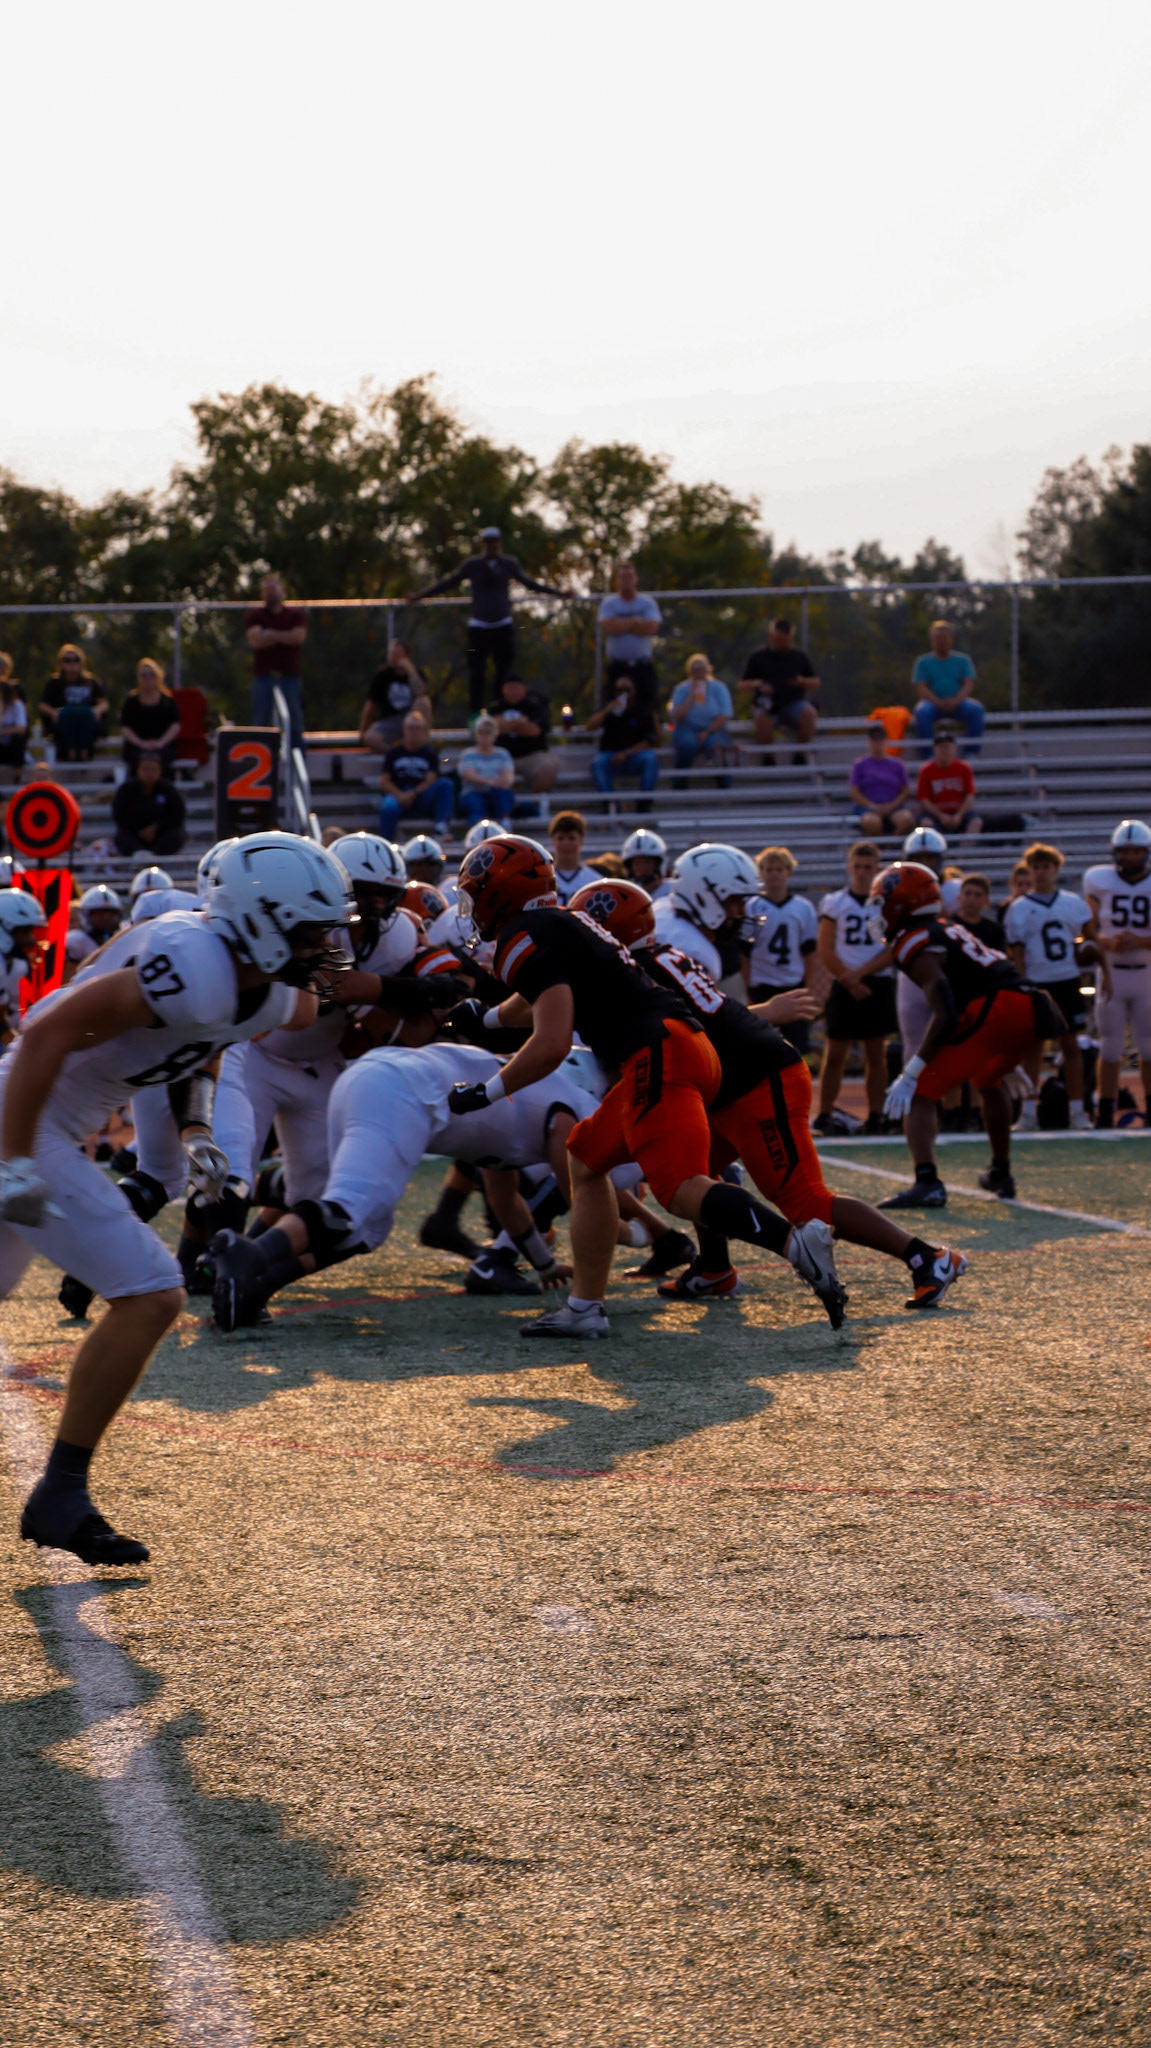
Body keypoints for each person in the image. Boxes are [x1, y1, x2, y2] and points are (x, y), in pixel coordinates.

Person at [1, 833, 354, 1564]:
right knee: (154, 1291)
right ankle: (60, 1493)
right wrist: (13, 1159)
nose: (324, 946)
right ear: (259, 921)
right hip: (25, 1118)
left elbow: (201, 1042)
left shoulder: (265, 990)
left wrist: (194, 1128)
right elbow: (43, 1035)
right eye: (309, 930)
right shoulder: (191, 962)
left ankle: (60, 1494)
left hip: (43, 1123)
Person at [444, 835, 846, 1340]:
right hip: (682, 1045)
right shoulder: (561, 923)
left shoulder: (523, 935)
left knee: (679, 1188)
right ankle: (584, 1307)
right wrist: (487, 1018)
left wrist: (485, 1092)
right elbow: (541, 998)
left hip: (655, 1052)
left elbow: (550, 1043)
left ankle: (795, 1243)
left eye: (475, 893)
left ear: (499, 892)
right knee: (585, 1159)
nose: (471, 907)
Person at [573, 878, 966, 1312]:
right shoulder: (655, 958)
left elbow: (704, 1023)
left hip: (757, 1080)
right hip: (723, 1079)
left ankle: (927, 1257)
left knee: (805, 1201)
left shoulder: (640, 973)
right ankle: (714, 1268)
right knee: (696, 1174)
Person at [872, 862, 1057, 1208]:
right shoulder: (947, 927)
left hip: (998, 1009)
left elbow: (946, 1013)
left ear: (901, 903)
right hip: (1032, 1006)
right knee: (988, 1079)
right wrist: (1003, 1044)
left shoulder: (913, 940)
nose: (877, 910)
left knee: (919, 1091)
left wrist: (911, 1072)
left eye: (881, 902)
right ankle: (1001, 1172)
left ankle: (927, 1182)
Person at [408, 527, 571, 714]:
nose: (492, 545)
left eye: (495, 541)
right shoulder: (473, 565)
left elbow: (530, 584)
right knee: (476, 672)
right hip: (479, 627)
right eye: (488, 542)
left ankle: (499, 713)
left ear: (499, 543)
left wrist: (558, 593)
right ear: (483, 544)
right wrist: (420, 596)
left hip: (502, 625)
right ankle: (475, 715)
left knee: (503, 672)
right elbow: (448, 583)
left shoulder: (508, 564)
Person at [1005, 842, 1095, 1132]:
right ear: (1028, 870)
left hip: (1067, 979)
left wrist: (1094, 959)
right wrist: (1022, 985)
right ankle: (1029, 1111)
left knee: (1071, 1046)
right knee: (1033, 1049)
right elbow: (1017, 954)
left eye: (1046, 867)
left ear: (1056, 869)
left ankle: (1077, 1111)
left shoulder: (1072, 903)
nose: (1041, 872)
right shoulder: (1018, 908)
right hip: (1037, 984)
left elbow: (1091, 940)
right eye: (1036, 867)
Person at [816, 841, 895, 1137]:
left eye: (868, 867)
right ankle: (824, 1114)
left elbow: (893, 948)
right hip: (844, 981)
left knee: (876, 1053)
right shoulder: (835, 902)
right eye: (858, 867)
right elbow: (825, 948)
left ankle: (875, 1115)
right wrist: (849, 979)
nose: (862, 873)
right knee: (835, 1053)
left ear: (877, 869)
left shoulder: (886, 903)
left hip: (875, 981)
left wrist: (859, 976)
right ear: (850, 868)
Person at [1083, 819, 1151, 1129]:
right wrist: (1105, 942)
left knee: (1148, 1047)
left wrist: (1140, 941)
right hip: (1111, 972)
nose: (1131, 857)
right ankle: (1105, 1111)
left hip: (1146, 972)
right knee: (1110, 1047)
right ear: (1116, 853)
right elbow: (1086, 924)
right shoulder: (1099, 880)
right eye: (1126, 851)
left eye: (1136, 851)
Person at [742, 847, 819, 1051]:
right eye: (769, 870)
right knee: (760, 1049)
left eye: (779, 869)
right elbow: (744, 954)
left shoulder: (803, 907)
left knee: (796, 1049)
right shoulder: (750, 907)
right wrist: (745, 989)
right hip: (761, 986)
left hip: (792, 984)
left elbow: (810, 952)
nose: (774, 874)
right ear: (760, 873)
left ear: (789, 872)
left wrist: (808, 989)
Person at [653, 842, 761, 982]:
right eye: (736, 901)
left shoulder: (664, 906)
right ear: (703, 897)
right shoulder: (692, 952)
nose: (742, 911)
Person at [245, 574, 307, 753]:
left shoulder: (295, 615)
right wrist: (284, 636)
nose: (270, 593)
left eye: (273, 588)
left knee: (294, 721)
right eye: (266, 589)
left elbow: (298, 637)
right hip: (263, 677)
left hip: (289, 676)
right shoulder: (255, 616)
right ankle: (259, 759)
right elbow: (256, 641)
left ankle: (298, 759)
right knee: (260, 721)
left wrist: (270, 634)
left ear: (282, 590)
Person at [739, 617, 820, 749]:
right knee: (762, 719)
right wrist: (757, 684)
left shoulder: (799, 657)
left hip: (794, 703)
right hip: (768, 704)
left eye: (787, 641)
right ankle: (768, 757)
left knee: (809, 714)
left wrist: (802, 681)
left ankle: (800, 755)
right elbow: (741, 686)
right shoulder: (758, 657)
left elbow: (815, 682)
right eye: (780, 640)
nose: (784, 644)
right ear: (770, 636)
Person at [378, 711, 455, 842]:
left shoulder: (429, 753)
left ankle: (441, 828)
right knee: (388, 806)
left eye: (417, 728)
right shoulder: (393, 752)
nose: (414, 732)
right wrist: (400, 795)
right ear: (404, 730)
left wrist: (414, 793)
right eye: (410, 728)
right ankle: (385, 842)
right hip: (398, 795)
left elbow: (431, 778)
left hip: (422, 796)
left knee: (445, 784)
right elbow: (384, 781)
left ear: (424, 731)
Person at [585, 675, 659, 807]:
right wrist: (607, 710)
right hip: (610, 756)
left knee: (650, 759)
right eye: (619, 690)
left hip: (634, 755)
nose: (623, 693)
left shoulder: (642, 710)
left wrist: (626, 753)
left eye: (627, 689)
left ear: (634, 691)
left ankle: (644, 804)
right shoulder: (609, 709)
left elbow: (650, 741)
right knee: (597, 764)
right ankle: (612, 804)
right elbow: (589, 726)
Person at [912, 620, 984, 755]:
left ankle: (971, 753)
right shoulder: (922, 662)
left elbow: (968, 684)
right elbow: (921, 687)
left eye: (944, 638)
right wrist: (938, 702)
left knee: (976, 709)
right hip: (933, 705)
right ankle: (928, 755)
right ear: (932, 640)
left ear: (951, 639)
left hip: (958, 704)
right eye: (938, 638)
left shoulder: (963, 660)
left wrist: (955, 701)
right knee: (921, 712)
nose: (941, 641)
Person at [596, 562, 662, 710]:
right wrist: (634, 622)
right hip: (617, 667)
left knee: (647, 707)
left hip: (642, 666)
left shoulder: (647, 603)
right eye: (623, 577)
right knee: (613, 708)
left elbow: (651, 628)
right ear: (617, 580)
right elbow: (608, 627)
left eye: (629, 576)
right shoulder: (609, 603)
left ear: (636, 579)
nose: (626, 580)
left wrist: (620, 624)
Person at [356, 640, 433, 753]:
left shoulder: (417, 674)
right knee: (370, 737)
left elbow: (420, 692)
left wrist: (411, 671)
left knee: (423, 701)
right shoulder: (382, 675)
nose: (393, 658)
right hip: (390, 721)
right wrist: (362, 732)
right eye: (391, 654)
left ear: (407, 657)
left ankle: (422, 746)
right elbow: (371, 705)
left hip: (412, 720)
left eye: (397, 655)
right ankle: (397, 754)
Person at [668, 654, 733, 787]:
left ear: (708, 670)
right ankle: (679, 783)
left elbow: (725, 714)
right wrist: (691, 697)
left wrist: (707, 731)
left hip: (714, 729)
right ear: (689, 672)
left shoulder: (719, 688)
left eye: (701, 670)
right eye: (694, 670)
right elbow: (676, 716)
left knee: (717, 747)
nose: (698, 673)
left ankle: (724, 784)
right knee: (687, 744)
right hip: (687, 729)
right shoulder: (681, 689)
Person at [488, 675, 557, 796]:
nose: (514, 691)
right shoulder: (494, 708)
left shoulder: (535, 706)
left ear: (524, 688)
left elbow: (534, 730)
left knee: (548, 770)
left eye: (517, 687)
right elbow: (490, 730)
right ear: (504, 689)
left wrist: (504, 725)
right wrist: (519, 722)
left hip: (532, 755)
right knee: (485, 772)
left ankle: (533, 804)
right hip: (501, 756)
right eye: (510, 688)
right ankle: (502, 805)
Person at [39, 644, 109, 759]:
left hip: (86, 721)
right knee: (68, 711)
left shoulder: (91, 681)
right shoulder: (54, 682)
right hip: (63, 723)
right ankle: (71, 752)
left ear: (81, 662)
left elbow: (104, 703)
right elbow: (42, 704)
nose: (72, 663)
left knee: (85, 712)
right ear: (61, 663)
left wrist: (97, 710)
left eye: (76, 659)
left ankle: (84, 752)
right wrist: (52, 712)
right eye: (67, 660)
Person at [848, 720, 916, 836]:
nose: (877, 742)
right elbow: (854, 791)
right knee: (871, 822)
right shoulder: (859, 765)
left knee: (907, 820)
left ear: (886, 741)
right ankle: (882, 845)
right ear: (869, 741)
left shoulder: (897, 764)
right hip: (868, 808)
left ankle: (892, 843)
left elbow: (905, 790)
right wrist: (872, 806)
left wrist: (891, 806)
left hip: (894, 807)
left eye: (880, 739)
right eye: (874, 739)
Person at [111, 756, 186, 859]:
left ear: (160, 771)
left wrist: (156, 827)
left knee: (176, 835)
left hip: (161, 834)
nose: (149, 773)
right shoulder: (126, 790)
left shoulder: (168, 789)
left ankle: (155, 856)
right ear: (138, 770)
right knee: (122, 836)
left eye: (153, 770)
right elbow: (119, 815)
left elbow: (177, 815)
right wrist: (139, 830)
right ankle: (139, 854)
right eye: (145, 769)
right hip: (135, 833)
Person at [119, 658, 182, 776]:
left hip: (163, 746)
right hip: (136, 747)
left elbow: (175, 725)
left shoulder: (167, 701)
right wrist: (141, 743)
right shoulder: (131, 701)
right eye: (143, 675)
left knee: (161, 757)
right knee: (139, 758)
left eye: (151, 674)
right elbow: (125, 727)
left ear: (158, 677)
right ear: (138, 678)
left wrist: (160, 743)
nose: (147, 678)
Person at [915, 726, 982, 836]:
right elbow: (924, 799)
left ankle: (965, 848)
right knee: (925, 823)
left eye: (948, 747)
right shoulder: (926, 770)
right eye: (941, 747)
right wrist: (940, 815)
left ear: (954, 748)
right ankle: (936, 847)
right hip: (935, 814)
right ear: (934, 749)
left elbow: (970, 796)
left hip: (959, 812)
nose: (944, 750)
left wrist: (959, 815)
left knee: (976, 822)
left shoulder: (964, 768)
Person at [457, 716, 516, 829]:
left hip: (496, 792)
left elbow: (508, 779)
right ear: (475, 734)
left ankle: (505, 824)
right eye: (481, 732)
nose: (484, 736)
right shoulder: (467, 755)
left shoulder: (503, 754)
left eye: (488, 732)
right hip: (473, 793)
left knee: (502, 793)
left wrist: (492, 783)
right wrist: (492, 782)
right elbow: (469, 776)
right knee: (475, 802)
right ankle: (479, 830)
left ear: (495, 734)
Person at [548, 811, 600, 905]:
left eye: (571, 838)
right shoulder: (544, 878)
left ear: (581, 840)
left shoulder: (594, 880)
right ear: (553, 841)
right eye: (561, 838)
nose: (566, 843)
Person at [621, 828, 670, 896]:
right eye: (637, 863)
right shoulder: (627, 895)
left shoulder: (673, 892)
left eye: (647, 862)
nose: (642, 867)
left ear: (658, 864)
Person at [0, 656, 28, 770]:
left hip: (11, 745)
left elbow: (21, 727)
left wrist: (2, 731)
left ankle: (17, 775)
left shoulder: (17, 702)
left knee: (18, 740)